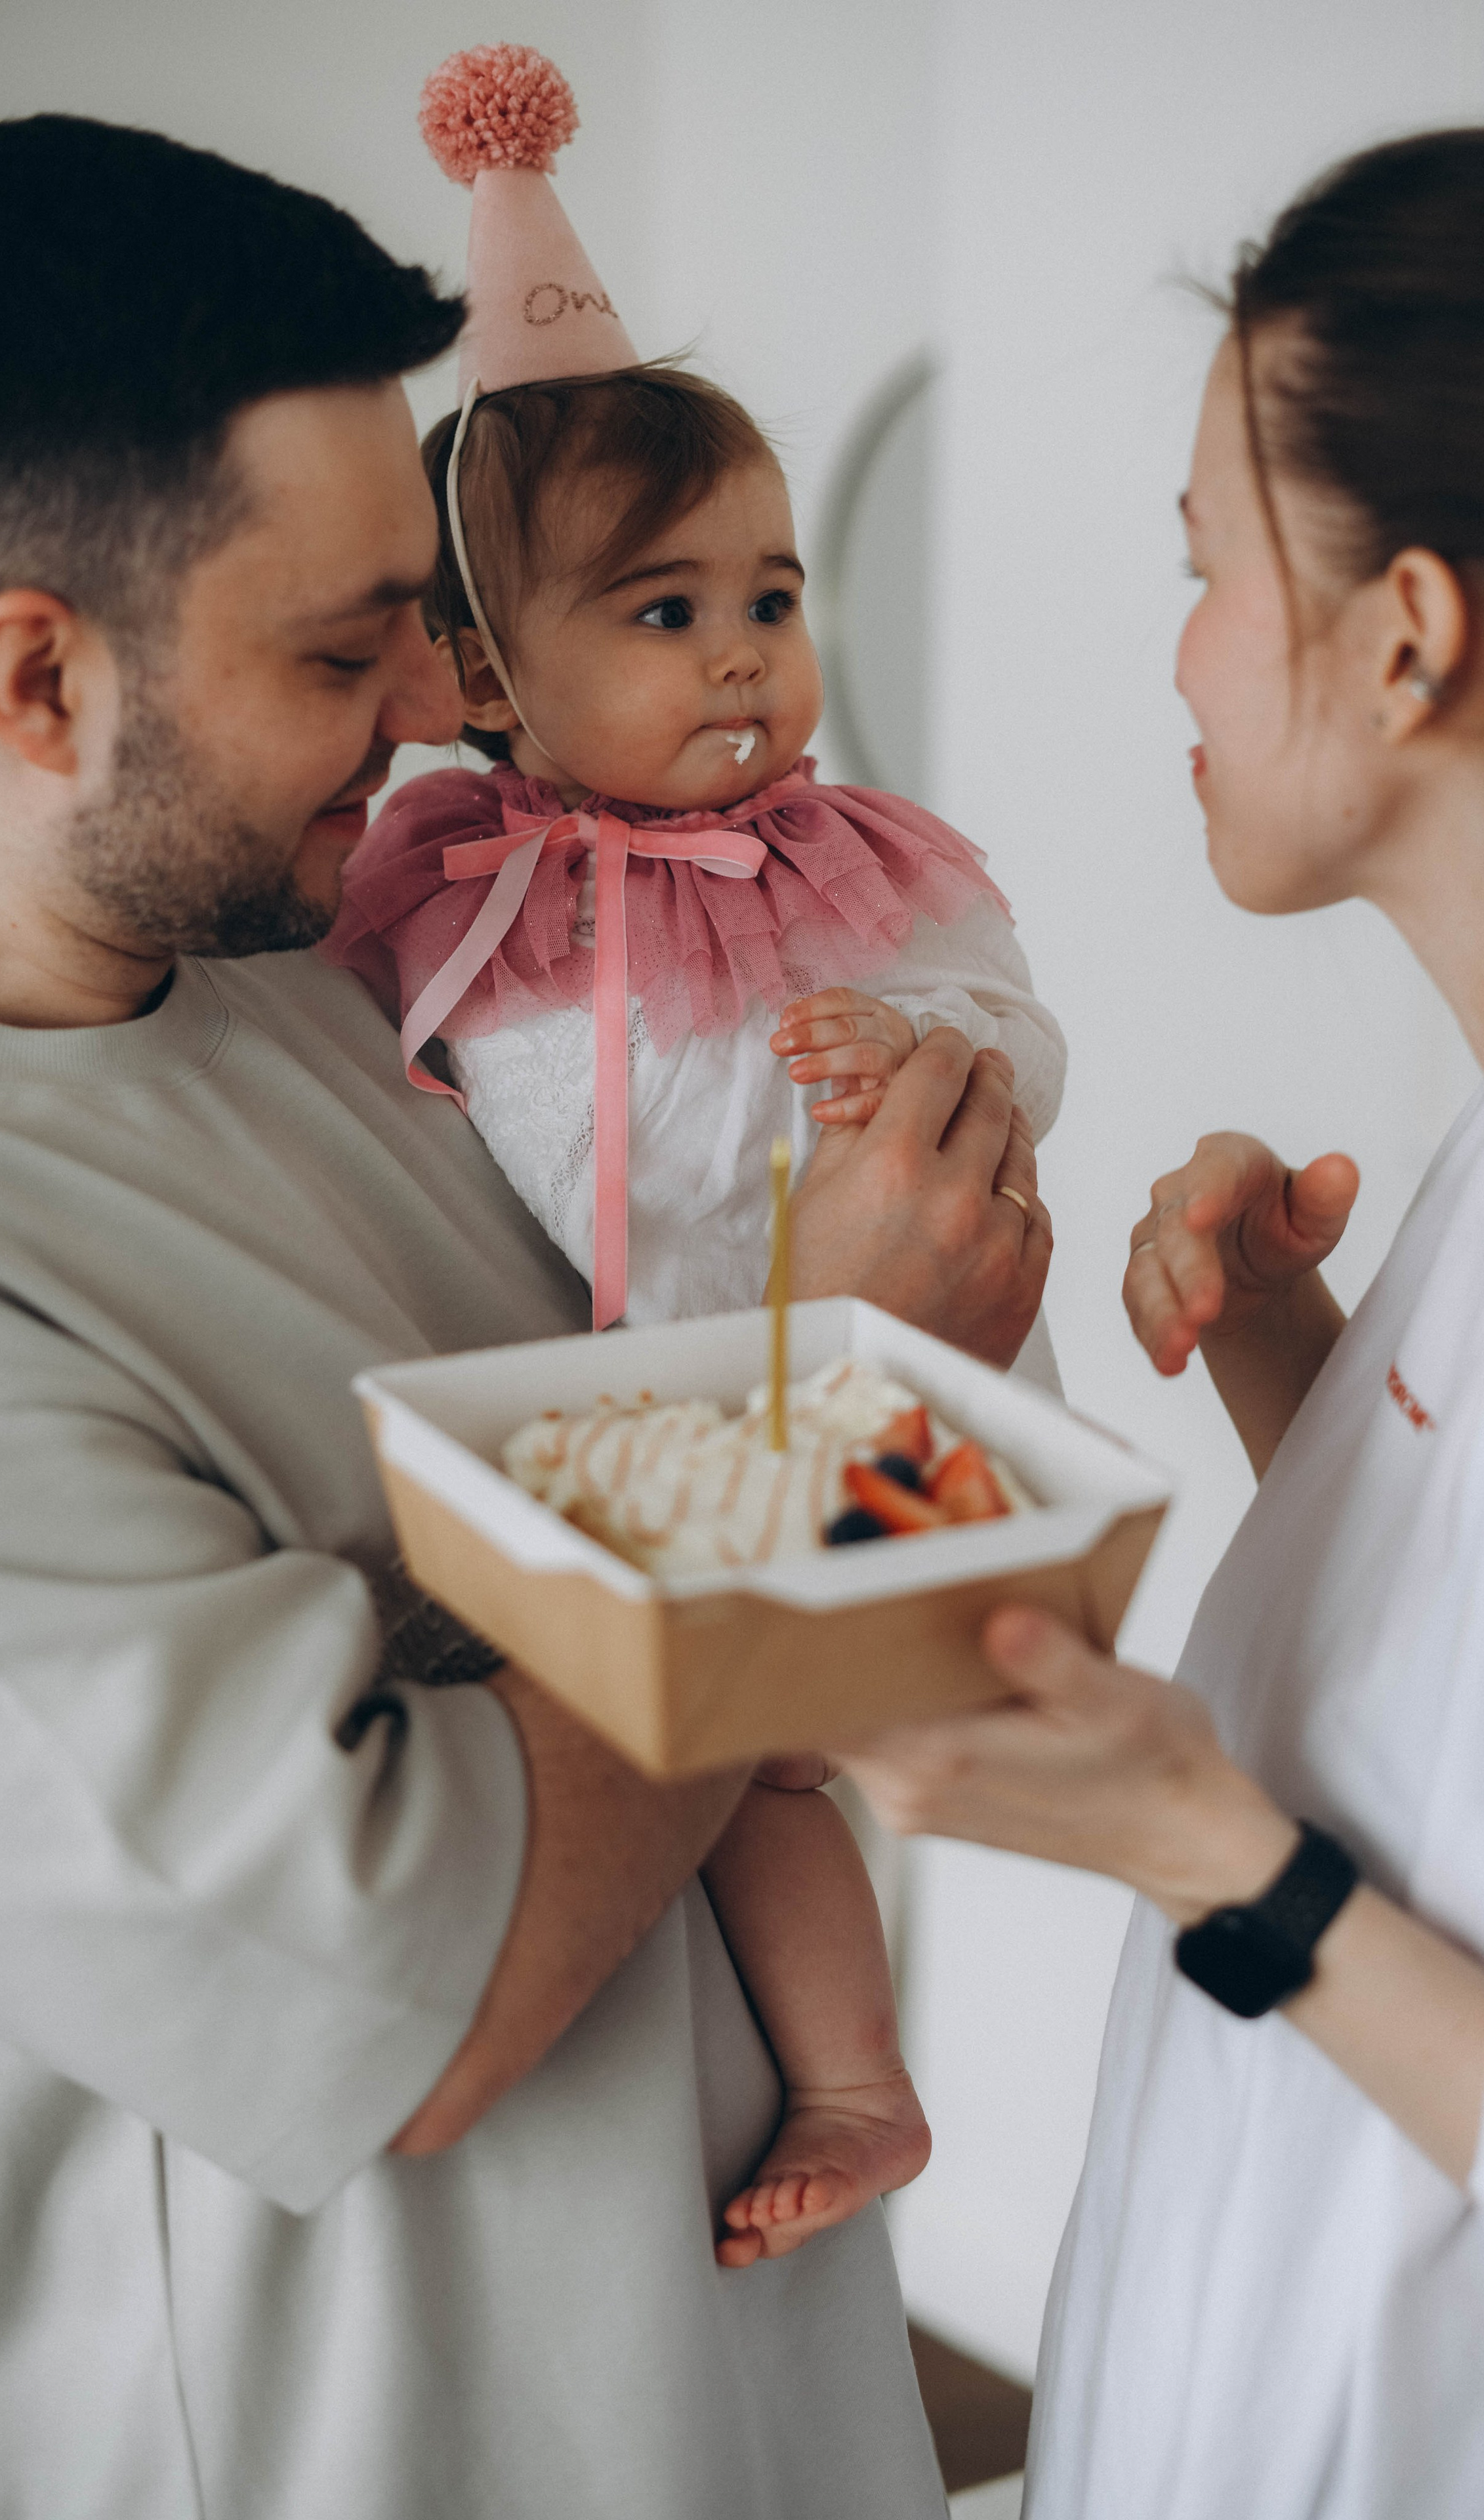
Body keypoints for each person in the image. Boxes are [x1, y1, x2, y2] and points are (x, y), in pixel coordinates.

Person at [0, 112, 1050, 2519]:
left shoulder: (353, 1001)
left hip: (752, 2389)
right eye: (347, 652)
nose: (443, 716)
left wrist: (925, 1348)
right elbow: (418, 1976)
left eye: (433, 632)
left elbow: (770, 1568)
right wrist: (835, 1404)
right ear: (38, 677)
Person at [845, 125, 1484, 2519]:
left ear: (1409, 634)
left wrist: (1194, 1837)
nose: (1182, 643)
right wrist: (1301, 1367)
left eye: (1208, 568)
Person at [325, 42, 1067, 2275]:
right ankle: (855, 2082)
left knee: (830, 1752)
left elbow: (1021, 1018)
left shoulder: (851, 862)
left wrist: (920, 1038)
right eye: (667, 613)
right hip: (642, 1424)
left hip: (861, 1386)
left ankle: (879, 2069)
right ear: (486, 673)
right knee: (749, 1779)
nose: (748, 656)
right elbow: (407, 1100)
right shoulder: (450, 891)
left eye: (772, 590)